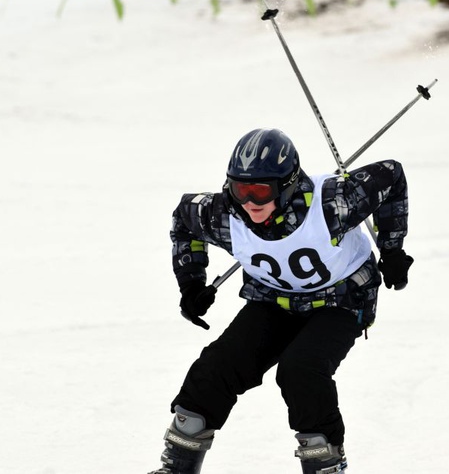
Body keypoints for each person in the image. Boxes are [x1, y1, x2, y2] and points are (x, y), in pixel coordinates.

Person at [147, 128, 413, 474]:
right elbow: (184, 219)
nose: (250, 204)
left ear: (287, 185)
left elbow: (391, 175)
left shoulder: (332, 203)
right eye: (240, 190)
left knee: (301, 371)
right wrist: (191, 281)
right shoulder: (225, 214)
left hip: (340, 301)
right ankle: (178, 467)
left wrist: (392, 249)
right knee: (216, 368)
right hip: (272, 301)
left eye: (260, 191)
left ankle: (326, 464)